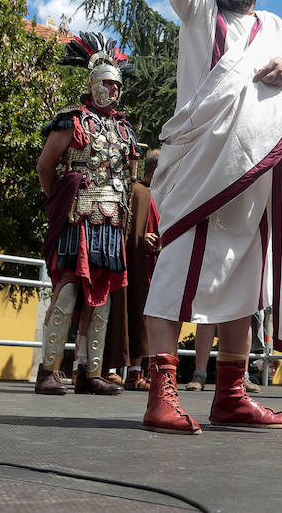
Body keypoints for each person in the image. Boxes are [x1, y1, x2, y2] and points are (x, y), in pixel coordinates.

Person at [124, 0, 282, 435]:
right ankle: (161, 394)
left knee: (245, 282)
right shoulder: (199, 15)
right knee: (176, 271)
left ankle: (231, 394)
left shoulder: (279, 30)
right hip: (200, 171)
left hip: (258, 178)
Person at [34, 36, 139, 397]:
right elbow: (45, 165)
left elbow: (129, 177)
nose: (113, 90)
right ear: (93, 84)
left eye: (117, 85)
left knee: (104, 298)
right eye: (107, 84)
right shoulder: (71, 120)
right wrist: (57, 202)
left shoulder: (126, 129)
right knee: (67, 293)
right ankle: (48, 370)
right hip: (78, 216)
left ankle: (89, 372)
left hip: (112, 220)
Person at [121, 149, 162, 391]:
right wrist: (140, 237)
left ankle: (137, 371)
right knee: (134, 314)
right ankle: (131, 372)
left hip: (147, 262)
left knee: (143, 317)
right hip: (133, 262)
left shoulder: (151, 193)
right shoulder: (137, 192)